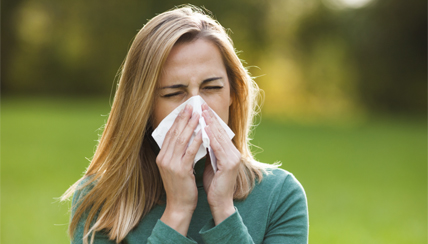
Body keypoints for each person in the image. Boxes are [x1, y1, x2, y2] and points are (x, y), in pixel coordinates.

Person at [62, 5, 308, 244]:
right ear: (143, 106)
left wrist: (224, 211)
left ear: (234, 93)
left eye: (211, 88)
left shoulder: (280, 196)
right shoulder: (101, 200)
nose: (196, 107)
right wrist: (177, 213)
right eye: (173, 93)